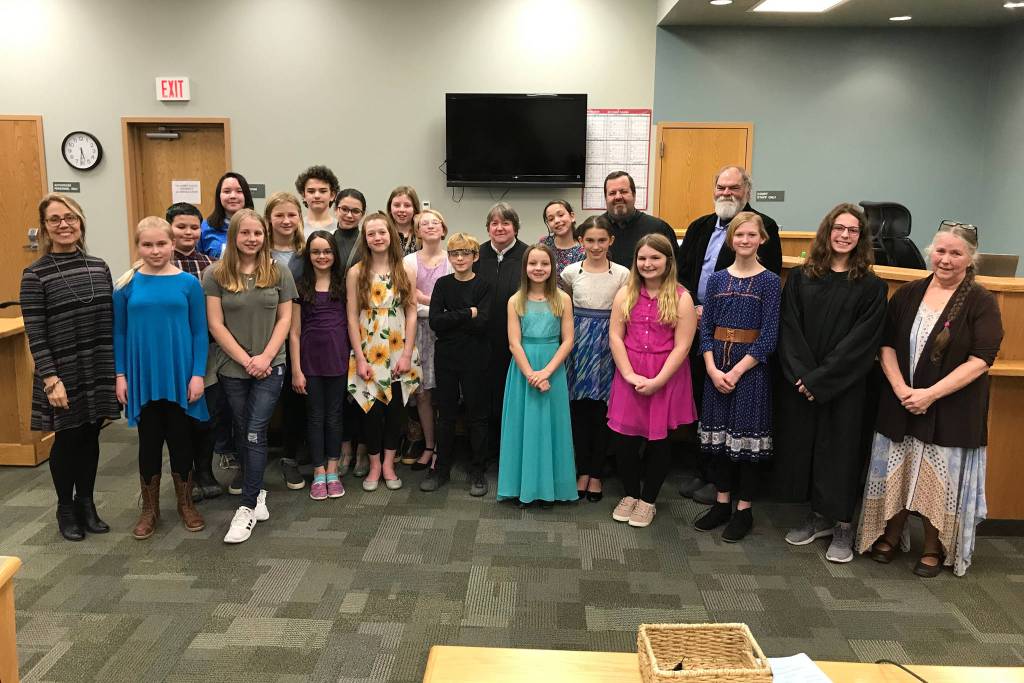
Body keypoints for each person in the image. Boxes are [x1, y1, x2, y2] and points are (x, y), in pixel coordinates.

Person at [857, 222, 1002, 577]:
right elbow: (886, 344)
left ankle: (934, 546)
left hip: (952, 407)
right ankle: (890, 533)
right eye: (940, 251)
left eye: (956, 253)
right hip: (901, 401)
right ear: (929, 252)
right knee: (899, 469)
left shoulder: (981, 302)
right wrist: (901, 389)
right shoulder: (909, 293)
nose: (946, 259)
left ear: (971, 259)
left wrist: (930, 395)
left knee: (940, 481)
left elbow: (981, 359)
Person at [777, 204, 888, 563]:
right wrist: (805, 378)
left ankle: (843, 524)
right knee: (809, 449)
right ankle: (818, 516)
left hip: (846, 386)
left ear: (861, 238)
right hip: (804, 384)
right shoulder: (802, 277)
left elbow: (861, 342)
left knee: (841, 452)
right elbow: (789, 329)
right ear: (827, 232)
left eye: (852, 231)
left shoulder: (870, 286)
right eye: (838, 228)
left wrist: (821, 380)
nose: (844, 235)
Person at [676, 165, 782, 505]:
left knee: (739, 410)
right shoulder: (699, 227)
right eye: (721, 187)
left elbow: (771, 275)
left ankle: (730, 484)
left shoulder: (764, 227)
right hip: (699, 325)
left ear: (746, 192)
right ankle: (705, 469)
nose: (726, 193)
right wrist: (691, 304)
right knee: (703, 399)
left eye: (734, 188)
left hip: (743, 337)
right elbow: (683, 271)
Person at [20, 194, 121, 542]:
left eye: (71, 218)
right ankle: (66, 507)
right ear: (46, 228)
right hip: (62, 370)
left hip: (97, 363)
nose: (64, 225)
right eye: (55, 220)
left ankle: (87, 503)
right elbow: (35, 332)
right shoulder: (35, 274)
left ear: (81, 223)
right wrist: (50, 379)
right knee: (67, 438)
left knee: (91, 433)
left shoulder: (98, 266)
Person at [203, 209, 296, 544]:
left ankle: (245, 509)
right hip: (232, 367)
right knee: (244, 429)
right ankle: (257, 495)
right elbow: (215, 324)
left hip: (272, 365)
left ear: (265, 236)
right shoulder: (214, 274)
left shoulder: (280, 272)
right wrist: (247, 360)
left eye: (258, 233)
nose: (252, 239)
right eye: (246, 233)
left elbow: (285, 320)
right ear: (235, 236)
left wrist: (265, 357)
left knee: (255, 431)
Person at [114, 217, 208, 538]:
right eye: (147, 244)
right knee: (149, 442)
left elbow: (199, 332)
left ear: (172, 244)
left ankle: (185, 503)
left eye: (161, 244)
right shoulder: (127, 285)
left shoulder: (189, 284)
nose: (155, 251)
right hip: (143, 374)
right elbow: (120, 332)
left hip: (180, 373)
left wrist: (197, 375)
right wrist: (121, 375)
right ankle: (149, 509)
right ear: (138, 246)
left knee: (182, 440)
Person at [691, 212, 780, 542]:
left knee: (746, 444)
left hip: (750, 373)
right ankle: (722, 503)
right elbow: (706, 330)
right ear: (731, 240)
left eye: (751, 235)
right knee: (719, 444)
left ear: (761, 239)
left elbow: (769, 336)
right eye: (738, 235)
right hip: (716, 371)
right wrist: (714, 370)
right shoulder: (716, 280)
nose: (744, 240)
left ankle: (744, 509)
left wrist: (737, 371)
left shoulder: (770, 281)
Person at [608, 234, 697, 528]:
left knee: (659, 441)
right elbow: (615, 337)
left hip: (666, 377)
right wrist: (629, 373)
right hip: (629, 373)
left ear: (668, 261)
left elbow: (682, 347)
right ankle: (631, 494)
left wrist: (658, 380)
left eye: (655, 258)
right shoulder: (625, 293)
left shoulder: (682, 298)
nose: (648, 264)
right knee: (624, 441)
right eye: (642, 258)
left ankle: (648, 501)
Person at [496, 244, 577, 508]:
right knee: (524, 427)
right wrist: (531, 373)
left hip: (552, 368)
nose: (538, 268)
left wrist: (546, 372)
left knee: (551, 428)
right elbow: (513, 343)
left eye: (544, 263)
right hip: (523, 370)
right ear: (525, 267)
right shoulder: (515, 300)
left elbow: (568, 341)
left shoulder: (562, 299)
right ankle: (522, 486)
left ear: (553, 268)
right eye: (533, 264)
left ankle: (551, 487)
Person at [346, 212, 422, 492]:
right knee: (371, 412)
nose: (377, 238)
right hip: (368, 350)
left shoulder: (405, 270)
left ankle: (389, 463)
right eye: (371, 234)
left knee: (395, 412)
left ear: (391, 235)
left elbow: (412, 313)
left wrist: (405, 354)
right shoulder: (357, 272)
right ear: (365, 239)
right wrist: (361, 357)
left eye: (382, 232)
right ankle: (375, 465)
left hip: (399, 348)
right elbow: (352, 316)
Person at [560, 216, 629, 502]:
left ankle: (597, 472)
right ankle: (582, 470)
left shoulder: (623, 275)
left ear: (611, 241)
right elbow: (562, 310)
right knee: (579, 409)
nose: (596, 246)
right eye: (590, 240)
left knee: (603, 410)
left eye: (602, 240)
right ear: (580, 242)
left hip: (609, 343)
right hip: (578, 344)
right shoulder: (570, 273)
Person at [423, 233, 493, 495]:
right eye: (454, 253)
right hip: (447, 357)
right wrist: (468, 313)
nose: (460, 258)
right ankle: (440, 469)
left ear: (475, 256)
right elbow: (435, 322)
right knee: (446, 415)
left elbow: (483, 322)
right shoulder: (442, 284)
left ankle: (478, 471)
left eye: (465, 253)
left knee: (477, 415)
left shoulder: (485, 286)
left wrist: (452, 318)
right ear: (449, 257)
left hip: (476, 356)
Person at [167, 202, 226, 502]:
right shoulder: (157, 266)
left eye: (194, 227)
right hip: (173, 353)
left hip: (207, 352)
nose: (188, 232)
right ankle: (185, 475)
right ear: (170, 230)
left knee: (207, 416)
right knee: (178, 419)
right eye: (181, 227)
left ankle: (205, 471)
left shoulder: (211, 265)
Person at [290, 231, 350, 501]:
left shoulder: (343, 283)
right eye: (316, 252)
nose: (322, 256)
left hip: (338, 358)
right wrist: (296, 370)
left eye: (327, 251)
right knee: (315, 417)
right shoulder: (300, 285)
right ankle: (318, 471)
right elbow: (294, 332)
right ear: (308, 255)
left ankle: (333, 471)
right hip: (310, 361)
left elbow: (351, 323)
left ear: (334, 254)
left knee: (335, 416)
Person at [474, 202, 529, 465]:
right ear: (487, 228)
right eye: (494, 223)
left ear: (515, 227)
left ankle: (512, 452)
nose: (500, 228)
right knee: (484, 397)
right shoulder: (476, 255)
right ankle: (486, 452)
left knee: (512, 397)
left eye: (505, 223)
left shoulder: (528, 255)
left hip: (517, 341)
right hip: (481, 339)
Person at [403, 209, 451, 471]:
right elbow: (406, 299)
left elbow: (455, 301)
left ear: (443, 229)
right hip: (416, 330)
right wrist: (435, 302)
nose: (430, 226)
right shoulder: (408, 262)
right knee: (422, 394)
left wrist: (424, 298)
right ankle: (429, 444)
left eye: (436, 222)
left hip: (445, 333)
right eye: (424, 224)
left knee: (445, 392)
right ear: (417, 231)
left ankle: (444, 448)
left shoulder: (453, 259)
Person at [265, 192, 308, 490]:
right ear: (269, 218)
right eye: (279, 215)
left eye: (291, 215)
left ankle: (290, 457)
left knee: (295, 399)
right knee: (260, 401)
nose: (285, 220)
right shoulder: (255, 249)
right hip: (260, 336)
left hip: (298, 335)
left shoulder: (307, 253)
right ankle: (251, 460)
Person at [332, 188, 369, 478]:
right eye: (344, 208)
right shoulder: (325, 242)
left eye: (355, 210)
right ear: (336, 209)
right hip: (333, 321)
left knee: (361, 388)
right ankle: (344, 449)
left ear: (362, 214)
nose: (349, 214)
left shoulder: (366, 243)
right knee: (340, 392)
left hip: (364, 322)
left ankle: (362, 450)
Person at [601, 171, 677, 267]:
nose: (618, 197)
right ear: (605, 198)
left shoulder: (658, 228)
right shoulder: (595, 229)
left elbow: (675, 267)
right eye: (612, 193)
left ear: (634, 195)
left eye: (623, 192)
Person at [200, 172, 254, 259]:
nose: (233, 196)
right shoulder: (204, 228)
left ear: (246, 196)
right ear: (219, 196)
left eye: (239, 191)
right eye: (227, 191)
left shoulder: (258, 227)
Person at [539, 200, 584, 277]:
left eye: (560, 215)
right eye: (551, 219)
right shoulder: (544, 244)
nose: (556, 221)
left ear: (572, 216)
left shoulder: (583, 250)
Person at [295, 165, 340, 232]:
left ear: (332, 195)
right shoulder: (295, 228)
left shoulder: (340, 228)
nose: (317, 196)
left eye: (323, 191)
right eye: (311, 191)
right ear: (303, 195)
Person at [387, 185, 421, 256]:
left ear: (415, 208)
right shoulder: (384, 233)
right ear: (390, 208)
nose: (402, 210)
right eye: (396, 205)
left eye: (407, 205)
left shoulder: (422, 233)